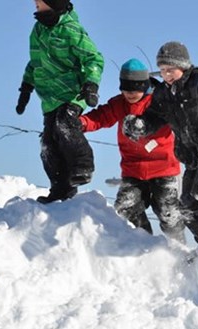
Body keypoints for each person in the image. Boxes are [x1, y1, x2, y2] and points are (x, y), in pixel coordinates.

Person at [121, 41, 198, 244]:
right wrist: (141, 125)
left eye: (171, 70)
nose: (166, 75)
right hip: (192, 153)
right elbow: (154, 117)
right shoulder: (163, 93)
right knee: (187, 203)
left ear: (183, 66)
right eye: (162, 70)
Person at [78, 59, 186, 243]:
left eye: (135, 89)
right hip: (133, 171)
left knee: (168, 213)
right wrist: (80, 123)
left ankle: (180, 248)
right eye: (125, 88)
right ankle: (142, 245)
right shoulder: (119, 104)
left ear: (144, 86)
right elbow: (100, 117)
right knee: (126, 208)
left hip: (164, 169)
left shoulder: (160, 102)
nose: (129, 94)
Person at [15, 0, 104, 204]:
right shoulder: (38, 30)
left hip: (73, 92)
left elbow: (93, 58)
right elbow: (35, 62)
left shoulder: (71, 29)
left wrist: (91, 84)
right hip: (49, 97)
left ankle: (83, 165)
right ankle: (60, 189)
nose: (35, 5)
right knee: (48, 143)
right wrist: (26, 88)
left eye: (39, 3)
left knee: (65, 124)